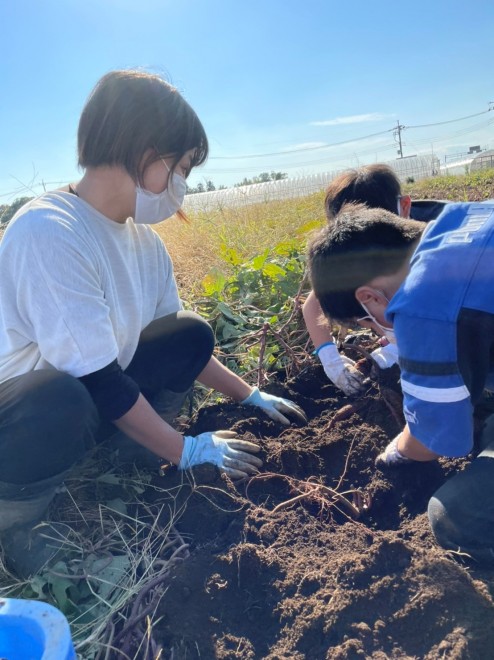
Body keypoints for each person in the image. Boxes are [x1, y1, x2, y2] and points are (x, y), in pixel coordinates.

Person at [0, 70, 306, 577]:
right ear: (145, 150)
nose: (182, 184)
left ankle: (132, 452)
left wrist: (249, 395)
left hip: (96, 401)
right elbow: (97, 381)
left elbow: (180, 346)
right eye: (181, 166)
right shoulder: (49, 231)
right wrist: (187, 450)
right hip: (28, 421)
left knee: (188, 332)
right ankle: (16, 520)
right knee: (60, 398)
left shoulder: (144, 244)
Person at [308, 200, 494, 565]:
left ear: (370, 299)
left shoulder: (422, 303)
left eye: (367, 323)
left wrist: (396, 452)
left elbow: (431, 440)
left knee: (455, 516)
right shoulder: (461, 217)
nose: (379, 329)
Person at [302, 164, 412, 396]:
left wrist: (399, 348)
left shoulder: (429, 242)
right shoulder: (349, 248)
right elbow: (315, 303)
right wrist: (330, 358)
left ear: (403, 209)